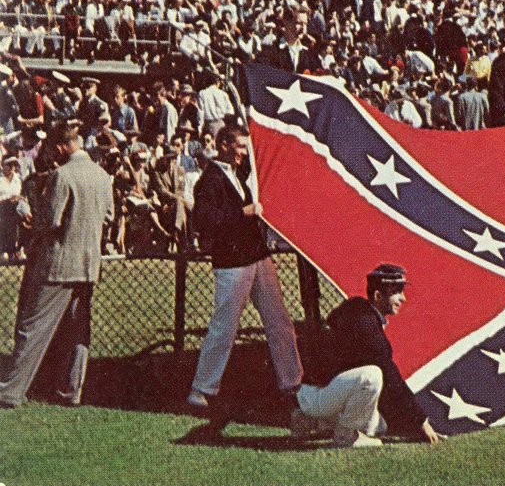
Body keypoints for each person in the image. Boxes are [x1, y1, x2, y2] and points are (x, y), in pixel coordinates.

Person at [0, 121, 114, 408]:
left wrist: (31, 221)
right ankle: (71, 390)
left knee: (32, 327)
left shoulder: (62, 176)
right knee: (78, 333)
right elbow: (110, 216)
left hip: (57, 265)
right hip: (88, 265)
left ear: (62, 147)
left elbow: (50, 221)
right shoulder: (102, 176)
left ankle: (10, 391)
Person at [187, 125, 301, 409]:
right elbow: (205, 221)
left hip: (257, 257)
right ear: (224, 145)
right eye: (239, 147)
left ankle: (292, 381)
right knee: (225, 326)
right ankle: (201, 388)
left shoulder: (238, 174)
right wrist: (243, 213)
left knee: (279, 320)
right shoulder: (210, 180)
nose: (243, 153)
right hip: (233, 263)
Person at [290, 264, 444, 447]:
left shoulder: (361, 313)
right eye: (396, 292)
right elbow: (391, 377)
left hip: (321, 392)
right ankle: (345, 435)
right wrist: (421, 422)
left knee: (379, 427)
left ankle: (312, 421)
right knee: (371, 376)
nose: (403, 298)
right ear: (378, 296)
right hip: (316, 393)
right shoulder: (364, 322)